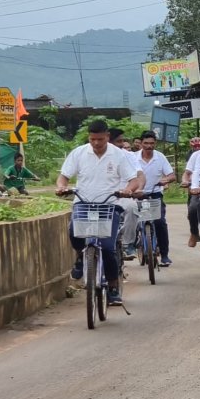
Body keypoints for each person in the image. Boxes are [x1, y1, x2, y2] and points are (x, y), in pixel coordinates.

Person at [56, 120, 140, 305]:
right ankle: (81, 257)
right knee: (73, 231)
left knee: (108, 248)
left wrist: (127, 190)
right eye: (92, 139)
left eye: (100, 139)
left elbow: (133, 179)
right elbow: (64, 176)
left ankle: (113, 287)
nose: (96, 143)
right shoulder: (79, 153)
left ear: (107, 137)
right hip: (83, 203)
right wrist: (62, 187)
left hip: (109, 205)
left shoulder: (118, 154)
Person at [136, 131, 176, 265]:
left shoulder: (160, 157)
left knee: (160, 222)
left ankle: (164, 255)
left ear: (155, 143)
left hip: (155, 194)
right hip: (137, 194)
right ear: (141, 143)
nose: (149, 146)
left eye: (152, 143)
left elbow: (171, 175)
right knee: (132, 218)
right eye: (146, 143)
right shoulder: (133, 157)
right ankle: (132, 244)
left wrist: (166, 180)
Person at [109, 128, 145, 260]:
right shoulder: (94, 155)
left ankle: (127, 244)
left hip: (123, 195)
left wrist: (138, 189)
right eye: (118, 142)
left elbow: (139, 175)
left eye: (122, 141)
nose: (122, 145)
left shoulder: (128, 156)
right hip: (101, 198)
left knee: (132, 207)